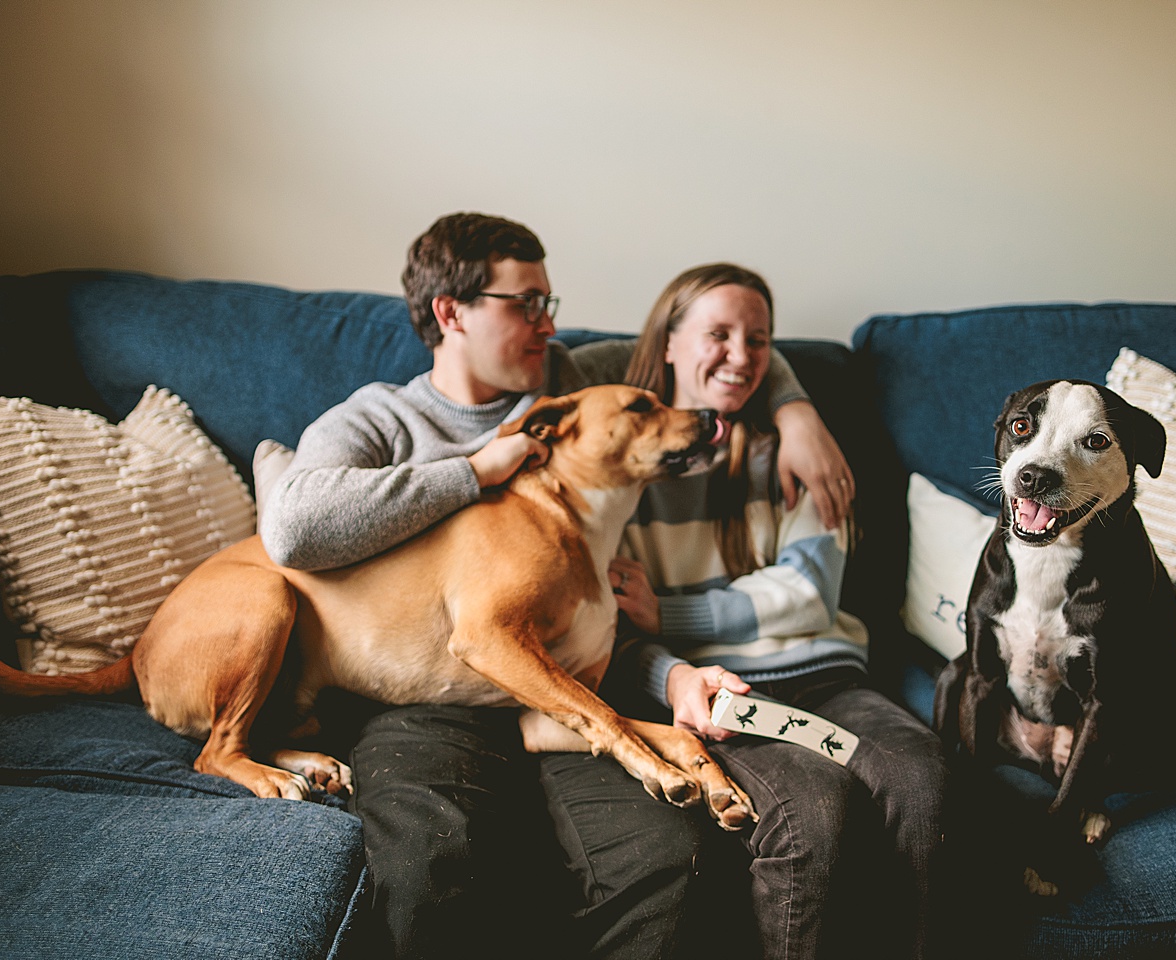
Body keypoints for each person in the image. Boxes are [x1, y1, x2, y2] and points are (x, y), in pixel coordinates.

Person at [259, 213, 855, 959]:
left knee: (666, 860)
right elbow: (294, 528)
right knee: (432, 862)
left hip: (559, 685)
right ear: (452, 313)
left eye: (551, 305)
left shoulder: (569, 379)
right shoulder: (379, 417)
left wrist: (796, 409)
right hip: (429, 693)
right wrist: (477, 469)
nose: (547, 325)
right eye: (525, 306)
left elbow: (701, 351)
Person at [599, 263, 949, 960]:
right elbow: (609, 626)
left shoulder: (795, 458)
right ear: (668, 343)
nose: (741, 356)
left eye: (759, 340)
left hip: (826, 676)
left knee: (921, 781)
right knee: (813, 815)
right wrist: (668, 659)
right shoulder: (618, 474)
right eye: (718, 334)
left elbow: (810, 592)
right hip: (718, 693)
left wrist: (668, 613)